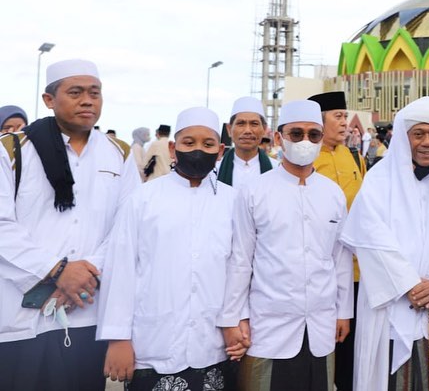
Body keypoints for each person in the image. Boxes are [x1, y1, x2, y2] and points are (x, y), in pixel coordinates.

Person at [0, 59, 140, 391]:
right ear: (49, 100)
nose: (87, 101)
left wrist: (85, 274)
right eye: (75, 93)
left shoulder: (118, 154)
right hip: (22, 316)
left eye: (95, 93)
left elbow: (127, 227)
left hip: (87, 312)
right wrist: (57, 270)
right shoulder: (12, 151)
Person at [99, 107, 243, 390]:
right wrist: (118, 338)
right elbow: (121, 268)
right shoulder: (143, 199)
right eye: (189, 142)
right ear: (173, 148)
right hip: (152, 343)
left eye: (208, 144)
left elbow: (239, 269)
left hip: (213, 345)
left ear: (220, 151)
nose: (198, 150)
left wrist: (235, 322)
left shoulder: (233, 201)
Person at [221, 99, 353, 391]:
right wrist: (234, 317)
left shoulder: (332, 194)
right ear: (279, 138)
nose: (305, 141)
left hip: (321, 320)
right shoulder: (255, 191)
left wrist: (343, 310)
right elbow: (241, 259)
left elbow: (340, 258)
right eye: (296, 133)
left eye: (313, 134)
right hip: (268, 323)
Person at [341, 97, 429, 390]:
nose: (427, 142)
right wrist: (409, 286)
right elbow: (371, 241)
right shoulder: (379, 181)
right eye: (418, 134)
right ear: (404, 137)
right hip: (391, 309)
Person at [307, 91, 366, 391]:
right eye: (338, 117)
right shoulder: (307, 159)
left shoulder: (354, 156)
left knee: (351, 349)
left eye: (345, 116)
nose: (345, 122)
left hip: (356, 271)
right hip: (320, 269)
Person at [217, 96, 274, 191]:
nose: (247, 130)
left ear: (264, 129)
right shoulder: (215, 171)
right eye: (241, 123)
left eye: (254, 124)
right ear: (229, 129)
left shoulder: (276, 169)